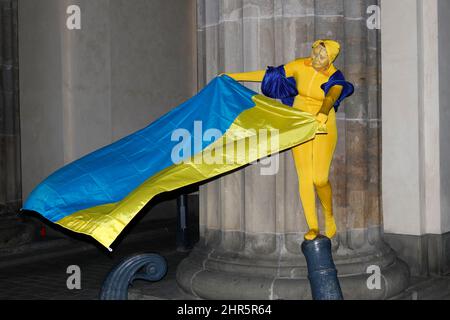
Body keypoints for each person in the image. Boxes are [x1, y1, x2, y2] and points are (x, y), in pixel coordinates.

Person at [225, 39, 354, 241]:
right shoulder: (301, 65)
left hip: (323, 124)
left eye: (322, 56)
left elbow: (331, 95)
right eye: (315, 53)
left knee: (319, 178)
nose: (315, 58)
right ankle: (313, 226)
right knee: (304, 176)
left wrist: (323, 111)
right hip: (299, 123)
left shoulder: (335, 76)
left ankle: (328, 215)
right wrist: (234, 77)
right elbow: (269, 75)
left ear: (330, 59)